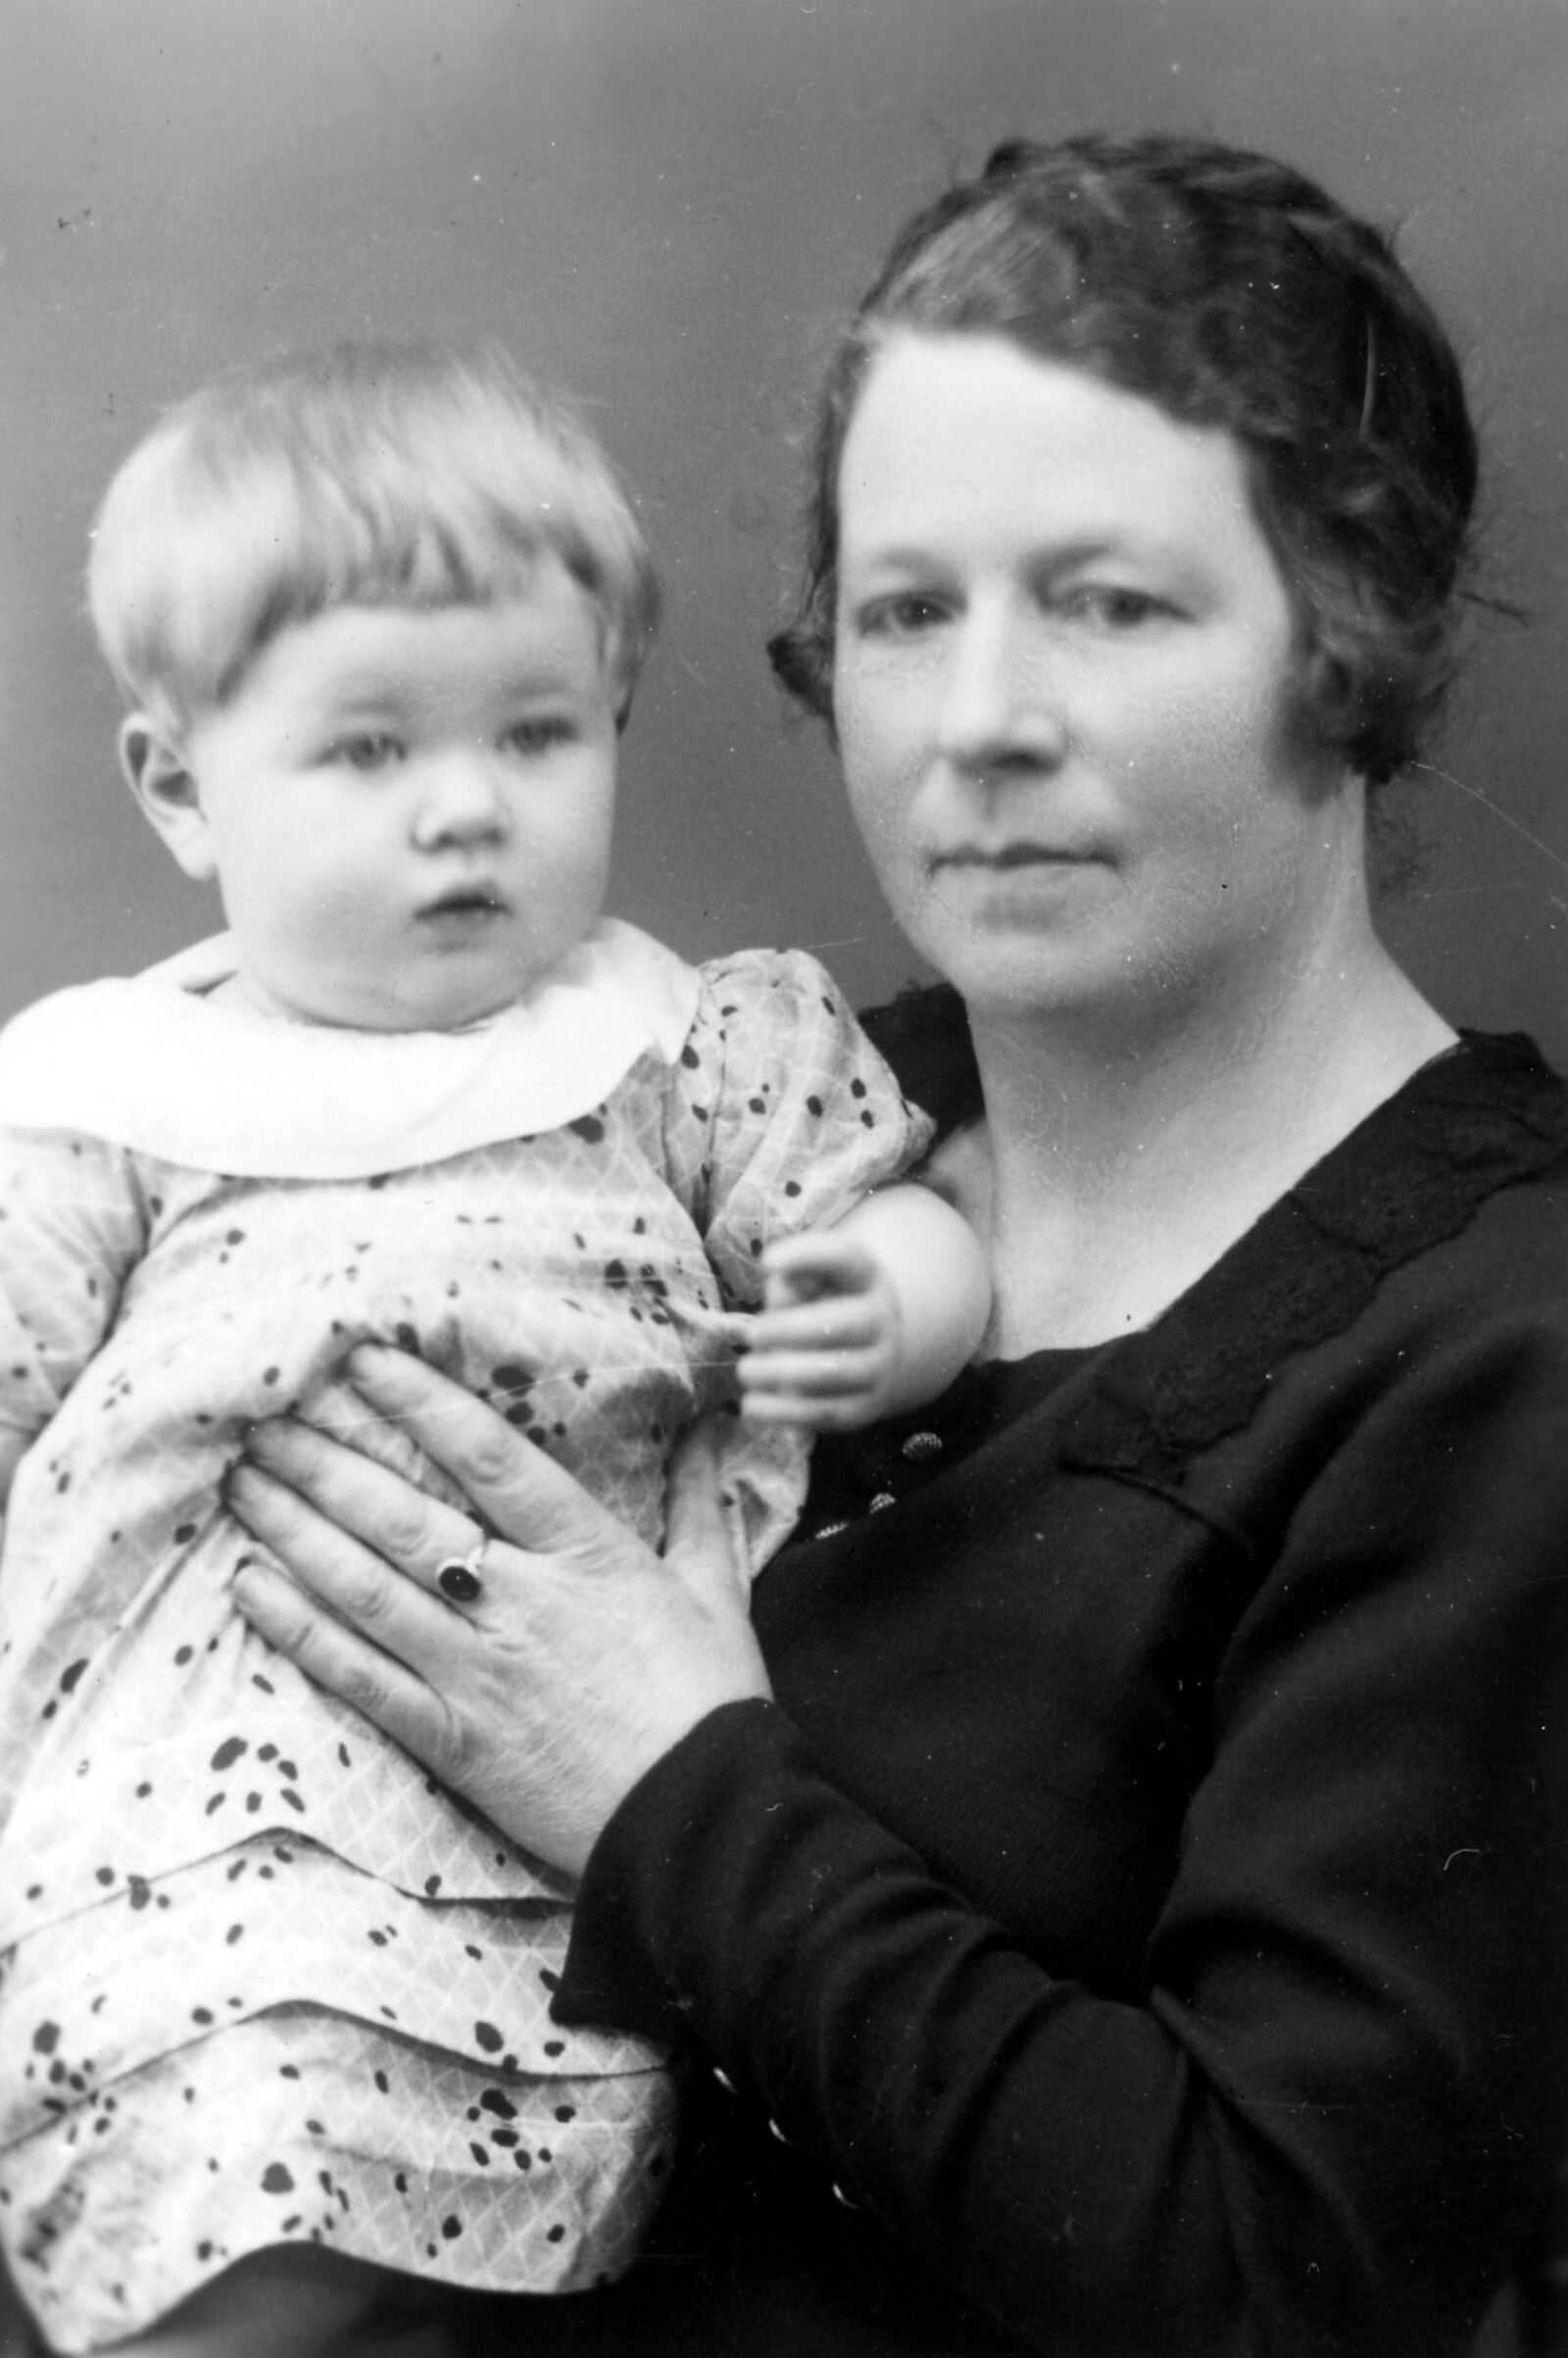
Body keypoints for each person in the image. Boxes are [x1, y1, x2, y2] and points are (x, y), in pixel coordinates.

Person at [225, 133, 1568, 2358]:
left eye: (1109, 603)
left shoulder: (1503, 1347)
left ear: (1353, 647)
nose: (978, 723)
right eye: (907, 611)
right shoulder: (741, 1120)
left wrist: (669, 1786)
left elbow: (1277, 2277)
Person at [0, 340, 992, 2357]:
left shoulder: (676, 1045)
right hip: (190, 1819)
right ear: (182, 787)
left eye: (535, 733)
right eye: (367, 750)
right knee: (237, 2190)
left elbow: (885, 1204)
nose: (464, 809)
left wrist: (898, 1300)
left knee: (476, 2250)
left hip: (546, 1819)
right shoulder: (110, 1099)